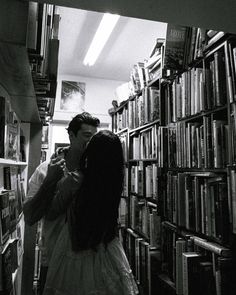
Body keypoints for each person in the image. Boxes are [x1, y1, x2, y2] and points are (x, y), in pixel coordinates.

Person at [42, 130, 139, 295]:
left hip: (76, 241)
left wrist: (51, 180)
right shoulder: (114, 182)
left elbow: (51, 212)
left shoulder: (76, 179)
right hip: (106, 243)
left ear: (91, 152)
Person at [23, 112, 100, 294]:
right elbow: (30, 216)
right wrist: (50, 181)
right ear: (71, 136)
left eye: (94, 138)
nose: (91, 143)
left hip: (88, 259)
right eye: (87, 136)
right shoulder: (45, 170)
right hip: (53, 259)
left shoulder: (95, 172)